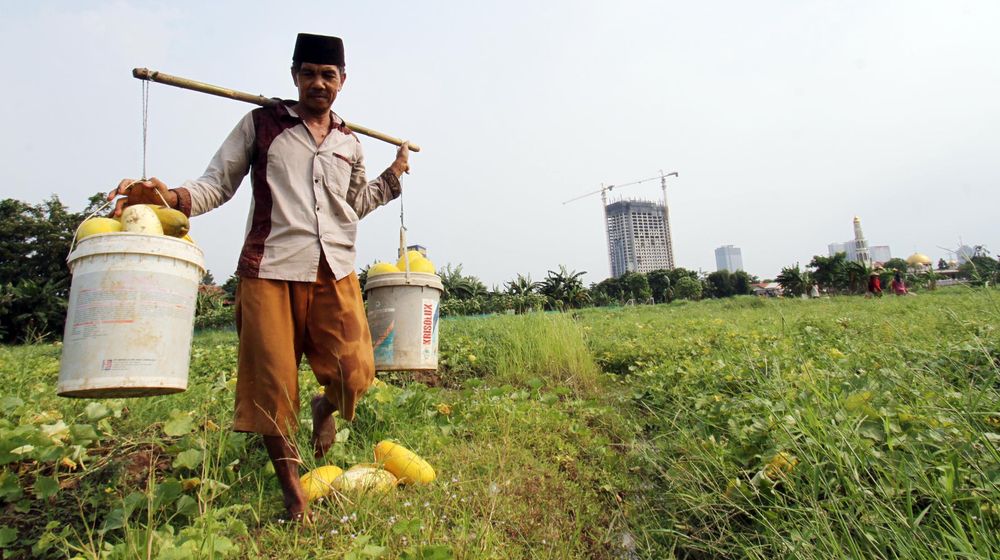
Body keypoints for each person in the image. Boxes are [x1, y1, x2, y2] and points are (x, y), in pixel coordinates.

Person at [107, 33, 410, 522]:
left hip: (334, 270)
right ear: (294, 76)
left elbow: (354, 204)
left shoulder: (350, 143)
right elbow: (216, 183)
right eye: (308, 73)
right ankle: (294, 496)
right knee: (272, 389)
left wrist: (393, 176)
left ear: (342, 81)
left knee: (355, 372)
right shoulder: (261, 125)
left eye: (327, 75)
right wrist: (171, 199)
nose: (318, 83)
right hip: (270, 269)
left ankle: (324, 407)